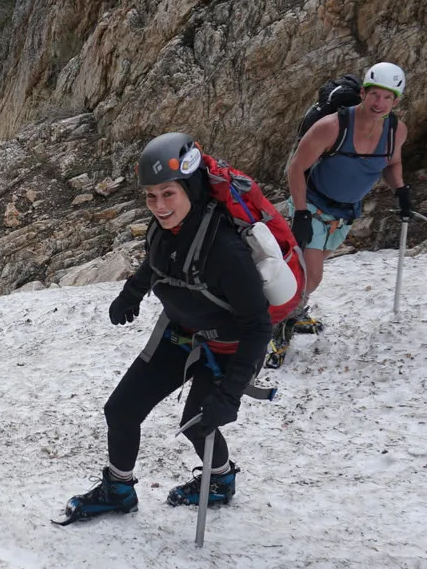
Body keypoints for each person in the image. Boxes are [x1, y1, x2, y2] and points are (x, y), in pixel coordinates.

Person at [60, 133, 274, 523]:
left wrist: (230, 394)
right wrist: (131, 295)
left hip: (230, 348)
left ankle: (221, 481)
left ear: (190, 188)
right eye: (151, 196)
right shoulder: (165, 228)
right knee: (121, 410)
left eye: (169, 194)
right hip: (182, 332)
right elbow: (157, 262)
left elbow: (259, 326)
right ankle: (119, 490)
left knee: (198, 423)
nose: (159, 206)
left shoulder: (226, 251)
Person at [281, 61, 414, 339]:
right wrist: (301, 213)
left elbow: (392, 164)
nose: (379, 103)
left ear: (396, 101)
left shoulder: (396, 131)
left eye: (387, 97)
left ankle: (291, 310)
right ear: (363, 93)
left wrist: (401, 191)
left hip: (344, 215)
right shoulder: (331, 127)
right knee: (312, 275)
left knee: (303, 273)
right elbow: (296, 168)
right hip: (312, 205)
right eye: (374, 94)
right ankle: (277, 322)